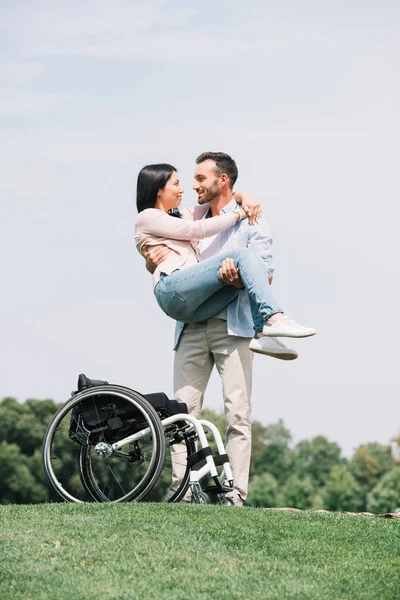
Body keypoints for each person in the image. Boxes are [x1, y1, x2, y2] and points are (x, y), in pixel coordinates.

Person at [135, 153, 315, 506]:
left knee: (237, 412)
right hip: (189, 327)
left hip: (231, 326)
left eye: (201, 178)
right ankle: (182, 492)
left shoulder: (252, 224)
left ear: (222, 181)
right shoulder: (190, 218)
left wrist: (245, 204)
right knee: (180, 413)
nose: (193, 186)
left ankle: (235, 495)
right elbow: (165, 257)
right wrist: (148, 259)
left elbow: (264, 277)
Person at [135, 163, 315, 342]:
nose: (182, 189)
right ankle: (273, 317)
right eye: (176, 184)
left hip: (191, 307)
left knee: (240, 278)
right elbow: (198, 230)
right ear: (158, 189)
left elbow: (218, 198)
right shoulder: (146, 217)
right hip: (171, 288)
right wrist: (238, 215)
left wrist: (244, 197)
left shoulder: (180, 217)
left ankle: (261, 332)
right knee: (241, 256)